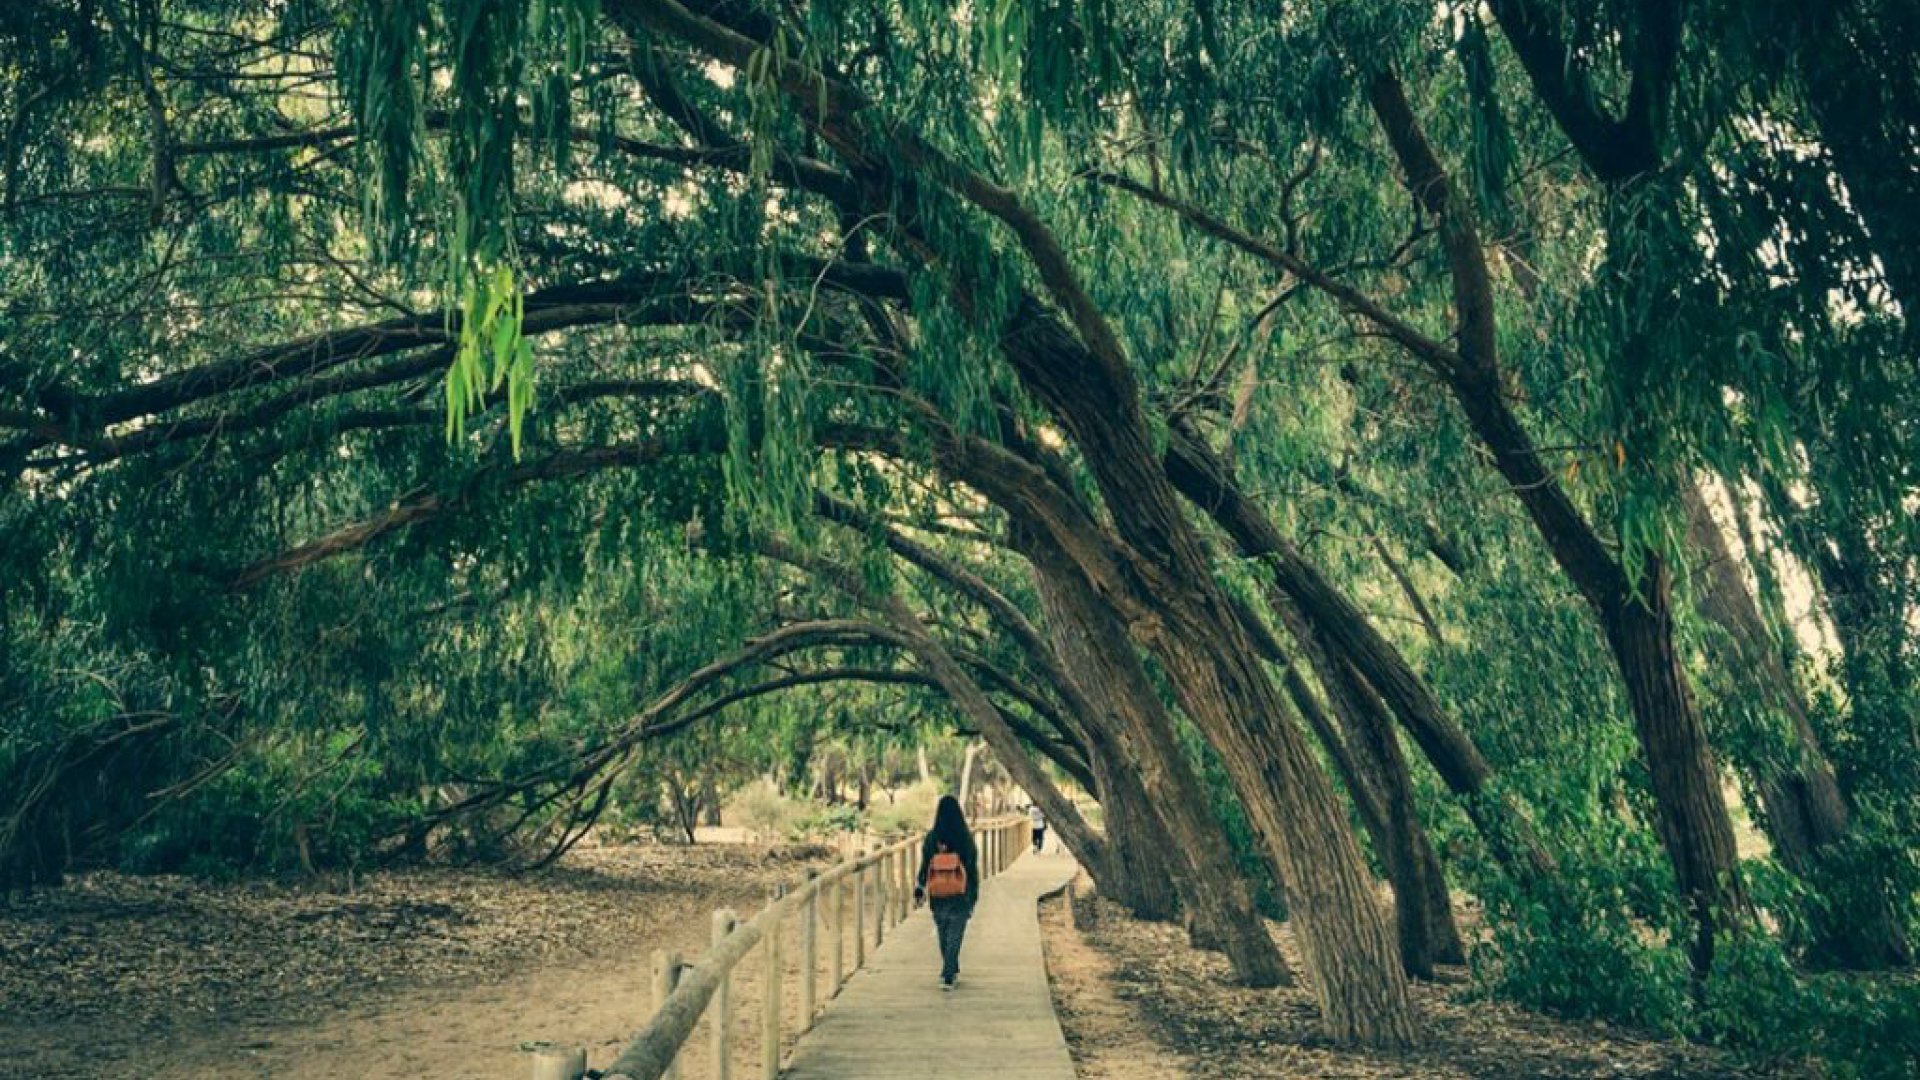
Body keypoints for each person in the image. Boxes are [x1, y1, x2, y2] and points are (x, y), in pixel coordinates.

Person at [914, 794, 980, 989]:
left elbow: (925, 865)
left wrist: (920, 886)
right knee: (954, 934)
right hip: (960, 893)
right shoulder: (965, 838)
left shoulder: (932, 838)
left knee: (943, 932)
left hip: (937, 892)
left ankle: (949, 971)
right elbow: (972, 868)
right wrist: (973, 894)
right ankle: (950, 971)